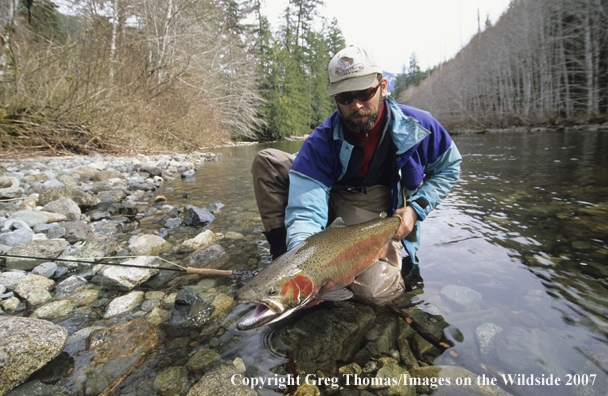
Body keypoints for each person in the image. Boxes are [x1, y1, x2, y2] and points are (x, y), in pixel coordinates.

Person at [251, 46, 461, 305]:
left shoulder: (421, 126)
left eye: (365, 93)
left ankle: (399, 266)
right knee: (268, 161)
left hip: (380, 209)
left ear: (383, 86)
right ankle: (280, 266)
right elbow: (305, 211)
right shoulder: (321, 141)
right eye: (345, 98)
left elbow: (449, 168)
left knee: (373, 292)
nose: (357, 105)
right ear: (335, 99)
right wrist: (302, 272)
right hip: (331, 194)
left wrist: (416, 209)